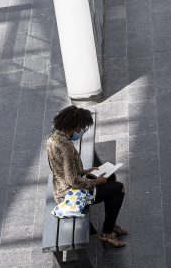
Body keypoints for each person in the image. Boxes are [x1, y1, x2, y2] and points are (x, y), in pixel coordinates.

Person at [46, 105, 128, 248]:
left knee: (111, 179)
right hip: (69, 194)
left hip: (63, 185)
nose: (83, 131)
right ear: (75, 126)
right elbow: (73, 181)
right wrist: (95, 182)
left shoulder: (55, 137)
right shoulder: (65, 147)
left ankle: (110, 224)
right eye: (83, 127)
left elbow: (64, 169)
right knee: (118, 188)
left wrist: (86, 171)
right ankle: (107, 232)